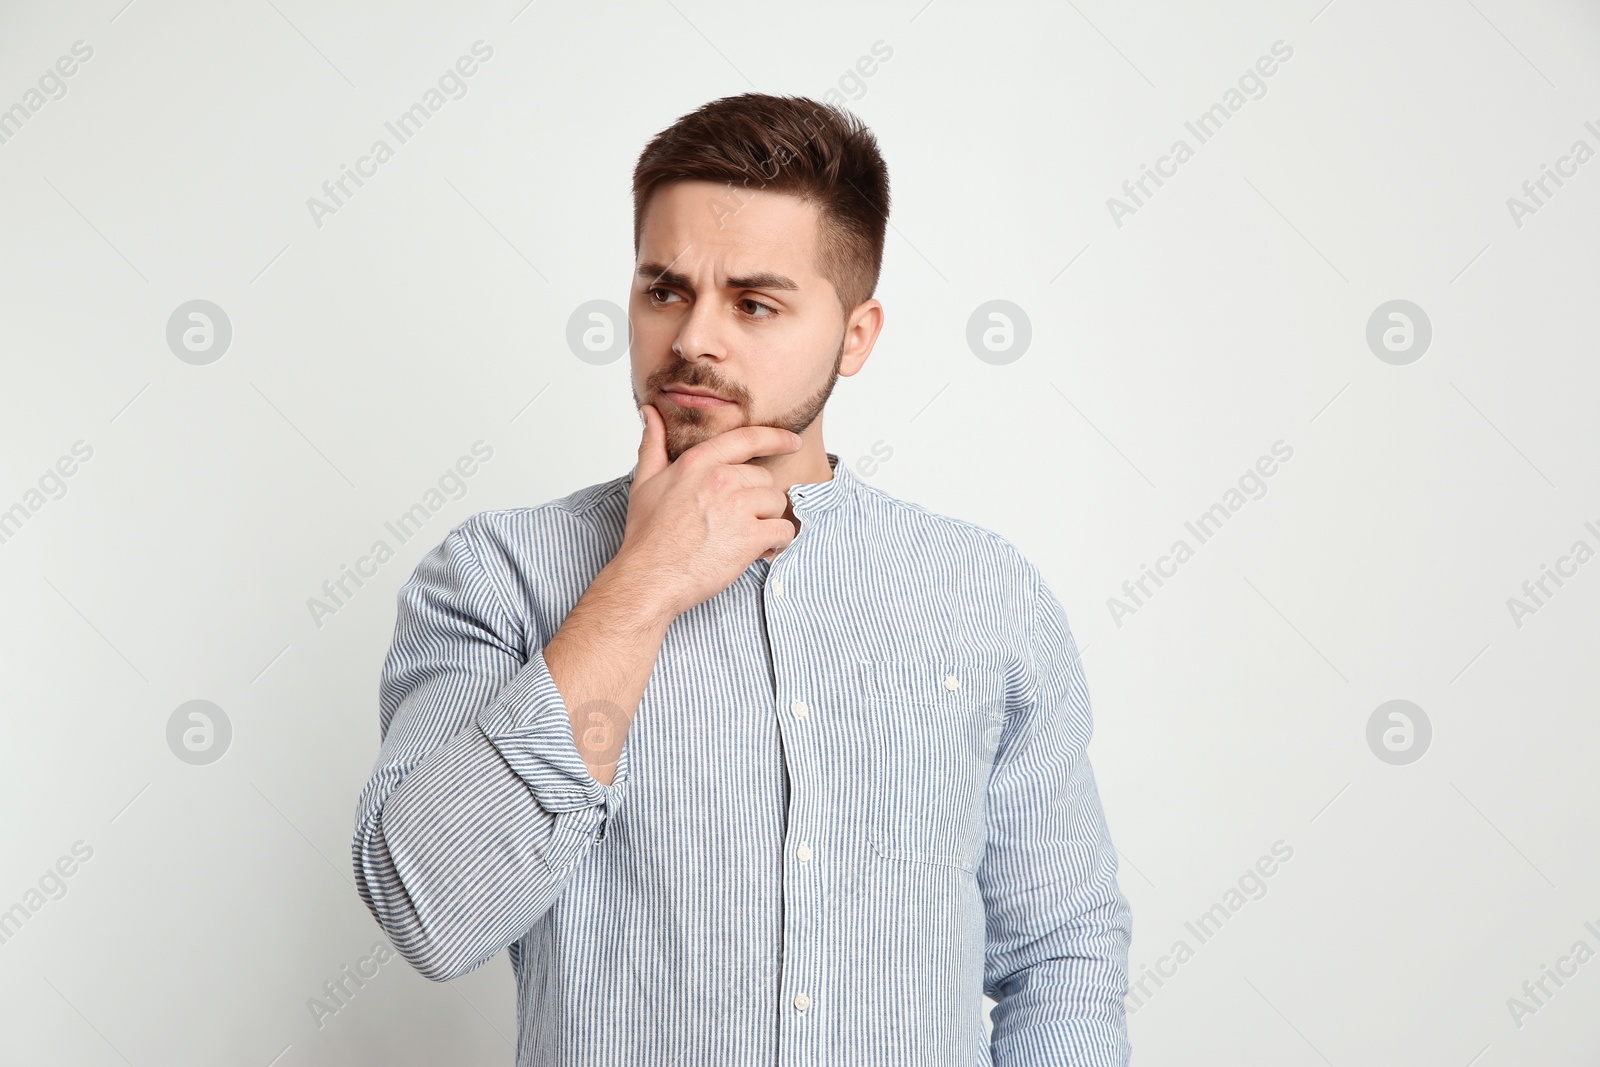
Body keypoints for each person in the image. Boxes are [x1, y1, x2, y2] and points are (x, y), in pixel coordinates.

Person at [352, 92, 1132, 1066]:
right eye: (663, 289)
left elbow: (1060, 953)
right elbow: (432, 911)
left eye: (753, 302)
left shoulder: (982, 594)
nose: (692, 339)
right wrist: (640, 585)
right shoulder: (495, 576)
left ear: (855, 334)